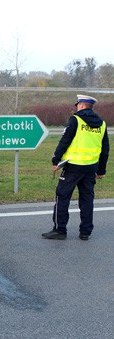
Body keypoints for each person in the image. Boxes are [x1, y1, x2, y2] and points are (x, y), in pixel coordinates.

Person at [42, 94, 109, 240]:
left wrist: (55, 160)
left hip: (73, 167)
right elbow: (105, 149)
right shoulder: (102, 124)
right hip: (90, 168)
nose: (76, 107)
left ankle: (60, 230)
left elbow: (65, 141)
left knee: (62, 196)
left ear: (82, 105)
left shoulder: (76, 120)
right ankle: (85, 232)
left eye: (77, 104)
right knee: (87, 200)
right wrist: (101, 170)